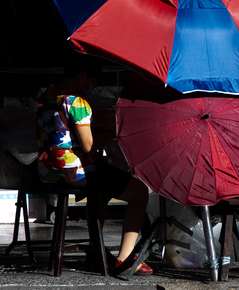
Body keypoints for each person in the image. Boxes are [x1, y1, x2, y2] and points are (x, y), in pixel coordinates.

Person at [37, 54, 153, 275]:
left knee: (102, 184)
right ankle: (125, 258)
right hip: (72, 172)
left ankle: (96, 252)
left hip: (46, 170)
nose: (91, 88)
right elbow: (89, 146)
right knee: (139, 192)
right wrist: (114, 133)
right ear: (82, 76)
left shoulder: (47, 98)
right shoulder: (77, 102)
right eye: (91, 82)